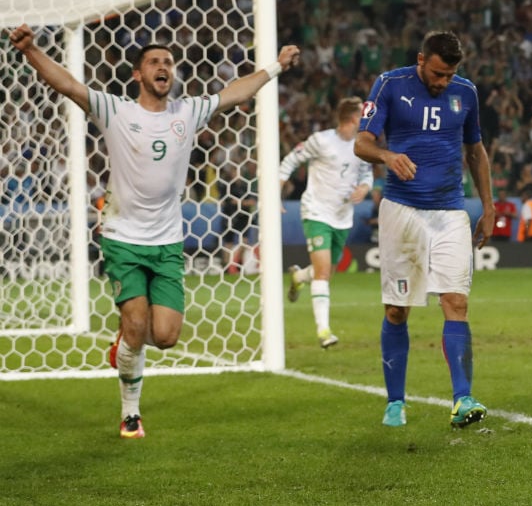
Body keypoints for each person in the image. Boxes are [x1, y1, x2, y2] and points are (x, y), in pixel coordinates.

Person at [8, 23, 300, 439]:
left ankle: (124, 344)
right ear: (138, 75)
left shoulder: (187, 112)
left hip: (166, 241)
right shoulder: (117, 110)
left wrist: (275, 66)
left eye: (168, 62)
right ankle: (131, 413)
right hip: (122, 235)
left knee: (164, 336)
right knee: (136, 325)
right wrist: (31, 51)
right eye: (154, 62)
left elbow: (237, 91)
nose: (163, 67)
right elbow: (70, 86)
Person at [355, 30, 495, 429]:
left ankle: (462, 398)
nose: (442, 82)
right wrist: (387, 155)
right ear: (421, 59)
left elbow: (476, 151)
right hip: (402, 209)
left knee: (456, 302)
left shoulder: (466, 93)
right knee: (398, 309)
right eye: (436, 74)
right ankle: (396, 400)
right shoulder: (390, 84)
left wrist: (488, 205)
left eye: (449, 75)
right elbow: (362, 143)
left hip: (450, 211)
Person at [280, 96, 374, 348]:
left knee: (326, 273)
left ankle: (300, 276)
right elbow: (291, 159)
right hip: (316, 212)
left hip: (342, 217)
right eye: (362, 115)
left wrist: (364, 188)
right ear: (354, 119)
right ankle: (324, 331)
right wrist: (276, 190)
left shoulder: (362, 145)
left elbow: (366, 172)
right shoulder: (321, 140)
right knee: (323, 272)